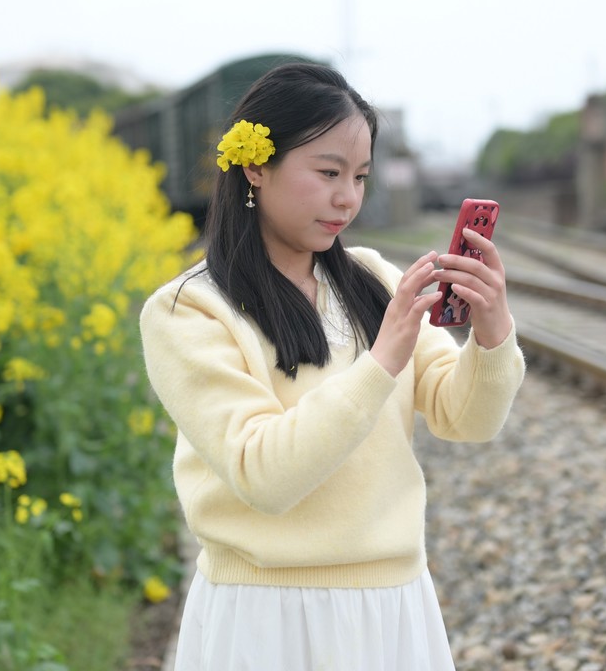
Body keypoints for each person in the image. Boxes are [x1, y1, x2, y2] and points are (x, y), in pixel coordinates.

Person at [139, 62, 526, 671]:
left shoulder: (371, 279)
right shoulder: (188, 310)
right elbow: (261, 473)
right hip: (266, 616)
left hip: (394, 604)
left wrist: (492, 332)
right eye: (327, 173)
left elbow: (466, 419)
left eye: (361, 176)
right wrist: (381, 361)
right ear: (256, 167)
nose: (348, 197)